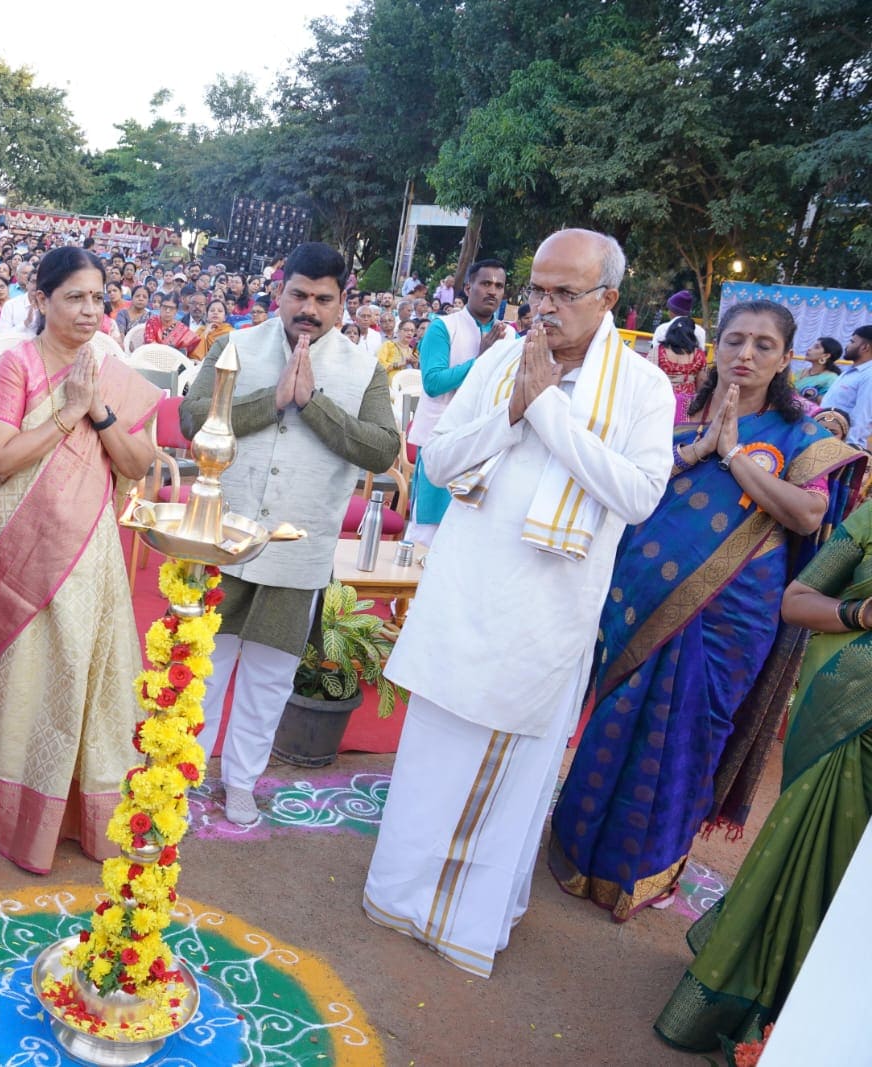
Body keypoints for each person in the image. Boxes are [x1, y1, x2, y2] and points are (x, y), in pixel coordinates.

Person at [363, 230, 676, 978]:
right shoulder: (503, 359)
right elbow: (440, 461)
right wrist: (512, 411)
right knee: (433, 759)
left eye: (565, 293)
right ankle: (398, 896)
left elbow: (639, 496)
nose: (544, 305)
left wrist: (549, 414)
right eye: (538, 289)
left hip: (545, 613)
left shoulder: (642, 387)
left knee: (503, 778)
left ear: (608, 299)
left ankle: (464, 923)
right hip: (464, 591)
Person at [549, 300, 862, 919]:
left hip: (734, 616)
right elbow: (629, 488)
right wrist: (699, 450)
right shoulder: (673, 418)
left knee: (693, 733)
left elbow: (808, 515)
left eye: (764, 345)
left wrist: (735, 455)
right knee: (616, 716)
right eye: (736, 340)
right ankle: (579, 851)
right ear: (716, 346)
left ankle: (649, 869)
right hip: (641, 598)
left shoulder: (802, 437)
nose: (746, 354)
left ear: (786, 358)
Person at [185, 242, 401, 826]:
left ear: (341, 302)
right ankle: (184, 774)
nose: (309, 308)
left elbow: (383, 449)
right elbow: (191, 418)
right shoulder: (234, 346)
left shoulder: (364, 369)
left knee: (269, 677)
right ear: (279, 294)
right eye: (299, 295)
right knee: (204, 666)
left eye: (323, 299)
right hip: (222, 537)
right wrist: (271, 400)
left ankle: (240, 782)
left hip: (297, 549)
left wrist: (312, 404)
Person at [0, 248, 160, 873]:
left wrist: (98, 411)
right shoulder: (16, 365)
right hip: (22, 547)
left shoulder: (112, 372)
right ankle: (19, 813)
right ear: (40, 300)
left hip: (88, 549)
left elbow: (136, 465)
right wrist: (69, 412)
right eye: (74, 297)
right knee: (28, 674)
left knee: (84, 669)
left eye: (98, 298)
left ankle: (85, 812)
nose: (89, 310)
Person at [654, 499, 872, 1051]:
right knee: (809, 851)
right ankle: (767, 1002)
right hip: (841, 715)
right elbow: (796, 601)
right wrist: (860, 615)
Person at [403, 258, 511, 549]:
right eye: (485, 283)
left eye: (499, 286)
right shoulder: (443, 327)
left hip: (484, 445)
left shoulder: (509, 335)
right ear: (468, 287)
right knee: (428, 532)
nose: (492, 291)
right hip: (440, 439)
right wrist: (480, 359)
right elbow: (433, 383)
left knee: (469, 535)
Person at [819, 325, 872, 445]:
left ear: (865, 347)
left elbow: (862, 417)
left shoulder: (869, 375)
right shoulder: (851, 371)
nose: (847, 346)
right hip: (826, 438)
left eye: (852, 342)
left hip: (843, 444)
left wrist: (848, 447)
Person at [652, 315, 707, 419]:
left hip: (660, 400)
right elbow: (701, 382)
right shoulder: (699, 355)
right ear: (691, 334)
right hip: (685, 404)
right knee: (681, 426)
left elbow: (649, 377)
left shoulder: (658, 351)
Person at [794, 337, 842, 403]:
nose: (809, 349)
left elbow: (826, 403)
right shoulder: (801, 372)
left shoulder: (831, 378)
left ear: (826, 356)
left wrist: (812, 395)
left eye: (816, 347)